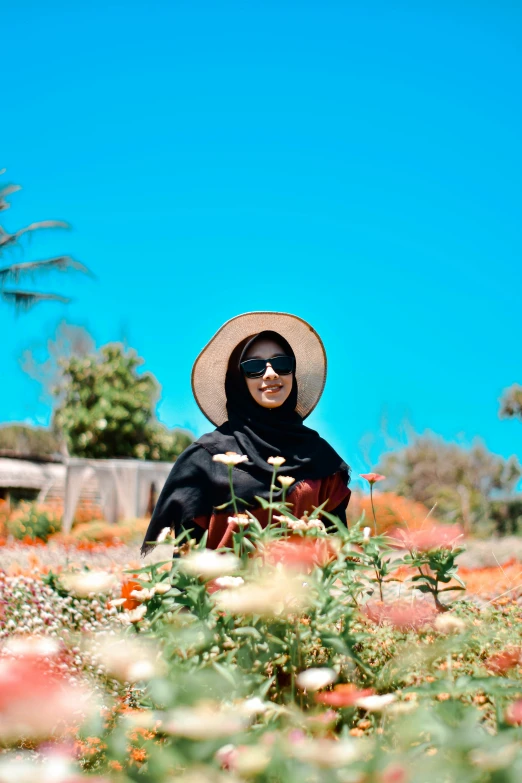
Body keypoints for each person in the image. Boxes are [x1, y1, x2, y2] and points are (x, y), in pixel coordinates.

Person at [140, 311, 351, 556]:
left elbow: (339, 555)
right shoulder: (204, 459)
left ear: (293, 372)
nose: (271, 373)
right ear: (237, 379)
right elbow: (186, 564)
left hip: (303, 593)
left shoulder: (321, 459)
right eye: (254, 367)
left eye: (281, 363)